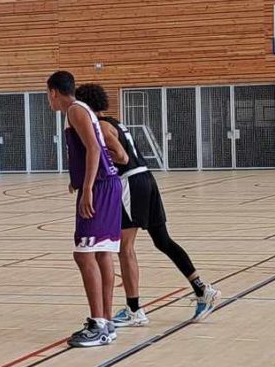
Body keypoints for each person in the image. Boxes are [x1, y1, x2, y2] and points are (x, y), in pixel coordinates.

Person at [74, 83, 220, 324]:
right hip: (146, 179)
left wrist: (97, 163)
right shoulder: (115, 122)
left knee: (125, 248)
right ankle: (202, 289)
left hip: (130, 183)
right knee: (163, 240)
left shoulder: (102, 127)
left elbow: (122, 157)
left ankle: (134, 310)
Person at [48, 71, 122, 348]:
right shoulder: (82, 110)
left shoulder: (75, 110)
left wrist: (88, 188)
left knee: (83, 254)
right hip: (108, 183)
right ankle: (106, 322)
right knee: (102, 253)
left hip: (100, 185)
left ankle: (98, 324)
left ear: (53, 92)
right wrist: (77, 180)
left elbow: (93, 149)